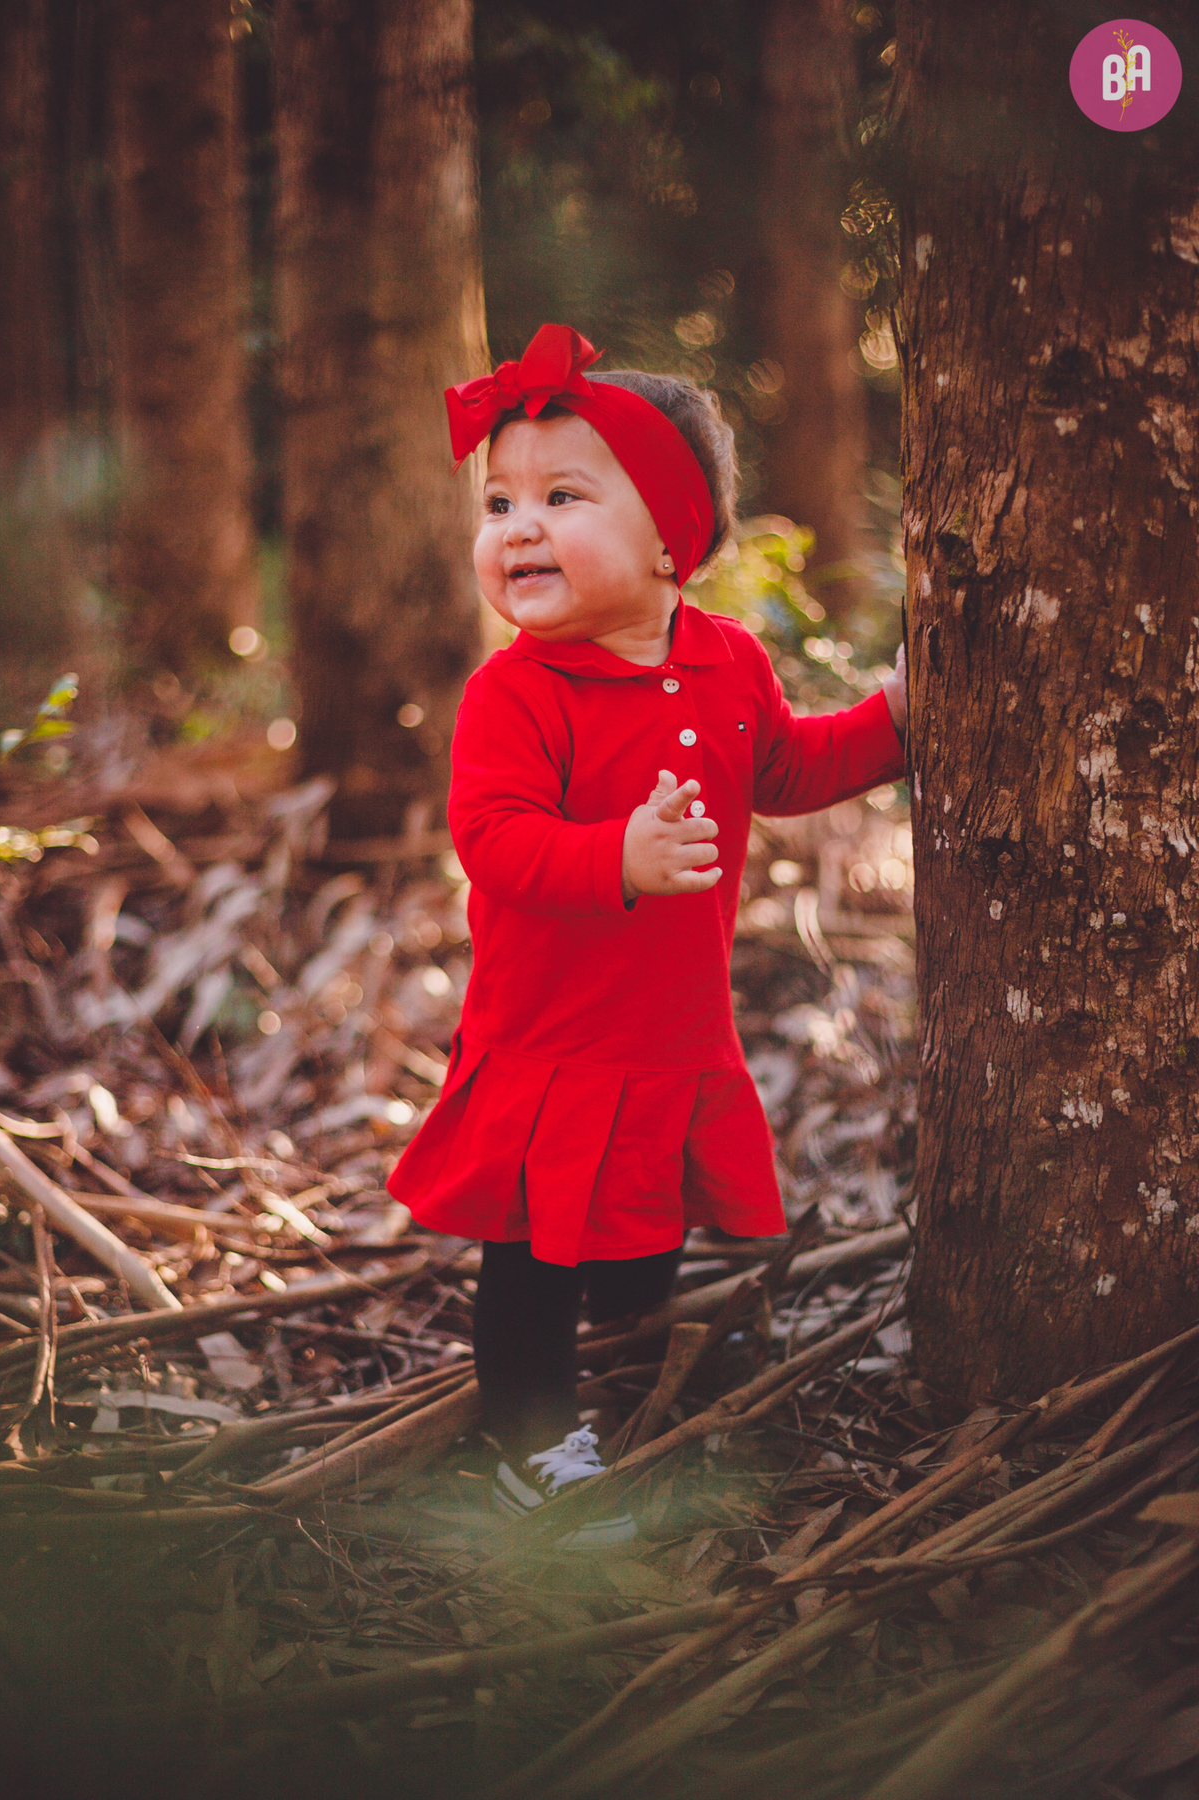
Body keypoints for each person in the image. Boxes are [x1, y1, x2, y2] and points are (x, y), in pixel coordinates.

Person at [387, 323, 907, 1544]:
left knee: (638, 1237)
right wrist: (615, 855)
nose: (516, 526)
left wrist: (896, 726)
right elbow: (495, 839)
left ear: (671, 533)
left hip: (670, 1030)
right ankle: (529, 1444)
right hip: (549, 1037)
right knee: (531, 1258)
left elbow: (779, 764)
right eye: (499, 501)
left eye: (562, 496)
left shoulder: (726, 661)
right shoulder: (515, 692)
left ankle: (638, 1358)